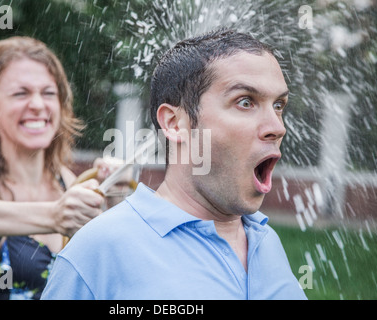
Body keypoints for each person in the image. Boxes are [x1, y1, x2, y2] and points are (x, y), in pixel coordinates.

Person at [41, 29, 308, 300]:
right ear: (174, 123)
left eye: (278, 105)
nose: (277, 127)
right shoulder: (100, 250)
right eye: (245, 102)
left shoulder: (267, 241)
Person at [0, 36, 112, 299]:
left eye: (48, 93)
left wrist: (116, 196)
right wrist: (52, 215)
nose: (38, 105)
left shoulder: (67, 181)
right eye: (21, 93)